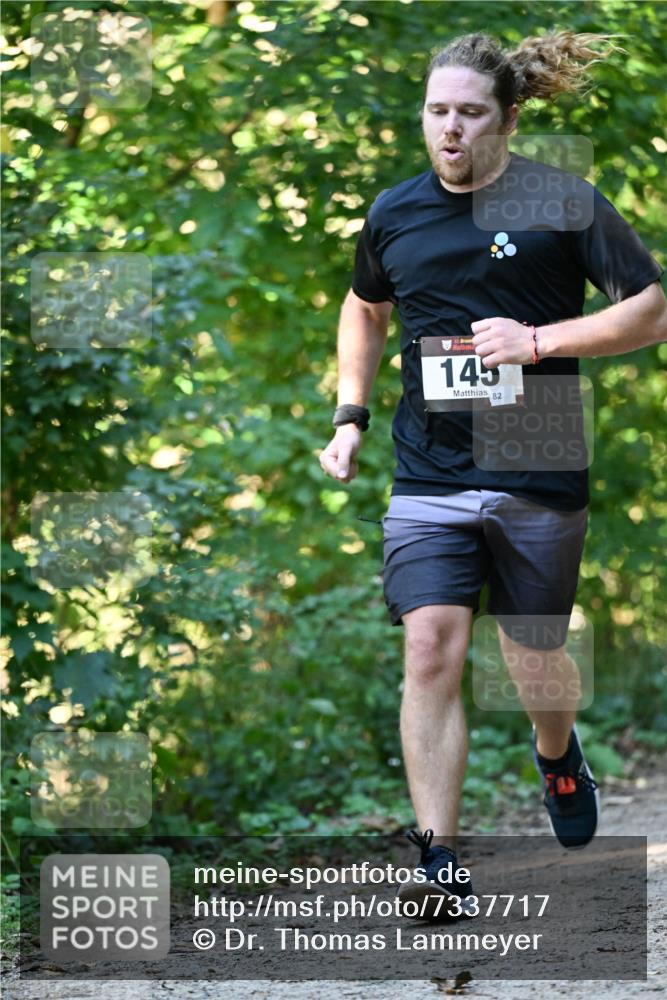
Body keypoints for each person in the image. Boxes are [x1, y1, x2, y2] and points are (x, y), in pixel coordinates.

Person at [318, 31, 666, 921]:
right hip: (428, 468)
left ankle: (557, 755)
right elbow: (364, 308)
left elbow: (650, 310)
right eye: (437, 110)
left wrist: (538, 341)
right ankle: (438, 858)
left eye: (470, 113)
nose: (450, 128)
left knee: (530, 653)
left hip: (538, 457)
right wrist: (349, 415)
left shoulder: (561, 201)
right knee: (430, 644)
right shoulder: (396, 212)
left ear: (507, 119)